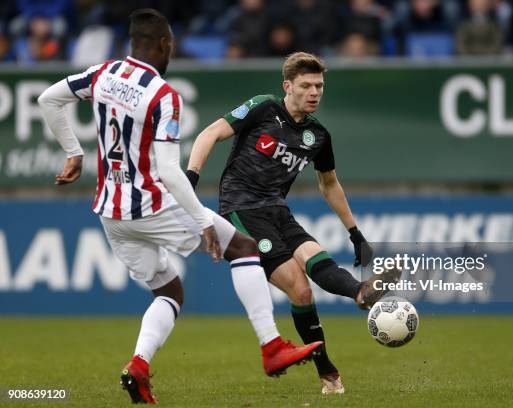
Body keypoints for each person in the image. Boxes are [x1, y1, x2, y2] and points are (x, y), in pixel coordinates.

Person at [37, 9, 321, 405]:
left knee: (169, 291)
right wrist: (202, 219)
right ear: (165, 45)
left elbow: (48, 99)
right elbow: (171, 172)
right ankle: (271, 346)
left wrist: (73, 153)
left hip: (110, 212)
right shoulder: (163, 95)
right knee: (244, 248)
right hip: (152, 205)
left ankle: (138, 364)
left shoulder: (102, 73)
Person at [186, 52, 400, 395]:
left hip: (277, 211)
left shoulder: (318, 135)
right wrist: (190, 182)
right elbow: (209, 133)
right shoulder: (263, 107)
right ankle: (327, 370)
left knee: (316, 259)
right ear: (288, 86)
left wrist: (355, 233)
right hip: (240, 209)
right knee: (299, 287)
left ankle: (361, 292)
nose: (314, 92)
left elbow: (329, 184)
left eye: (319, 85)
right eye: (306, 85)